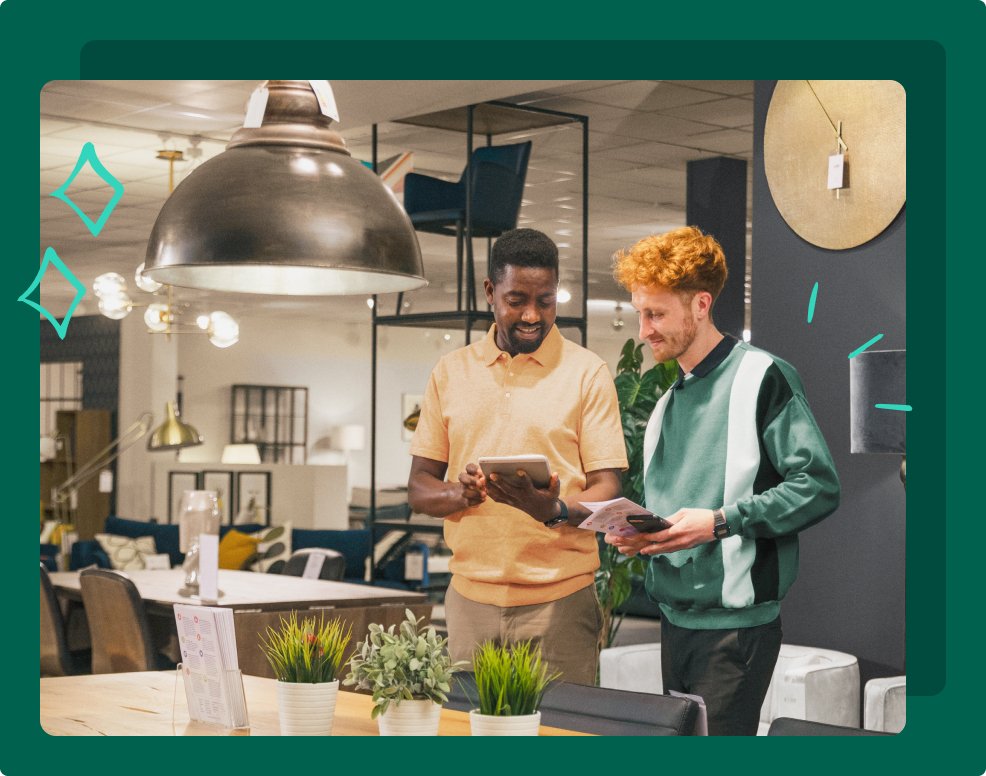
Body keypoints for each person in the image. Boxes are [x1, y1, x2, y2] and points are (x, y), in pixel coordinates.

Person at [607, 226, 840, 735]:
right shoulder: (666, 405)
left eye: (656, 314)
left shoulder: (763, 377)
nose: (643, 330)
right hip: (674, 623)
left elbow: (818, 485)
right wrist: (644, 537)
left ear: (701, 304)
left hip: (736, 632)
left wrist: (718, 522)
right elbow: (675, 513)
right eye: (640, 313)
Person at [408, 228, 627, 684]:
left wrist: (554, 509)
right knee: (468, 725)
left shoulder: (588, 373)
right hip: (470, 602)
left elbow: (608, 488)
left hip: (561, 602)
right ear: (490, 291)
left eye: (545, 301)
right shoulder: (450, 372)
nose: (532, 315)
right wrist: (460, 495)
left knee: (562, 726)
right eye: (517, 300)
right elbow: (419, 487)